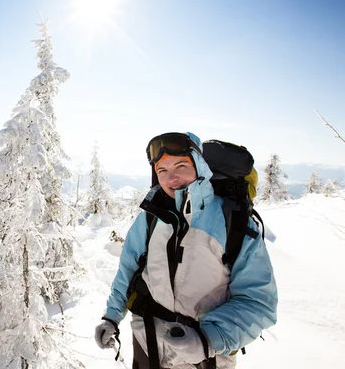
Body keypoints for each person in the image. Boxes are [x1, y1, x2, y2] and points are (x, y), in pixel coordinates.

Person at [94, 132, 278, 369]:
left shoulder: (233, 224)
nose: (172, 178)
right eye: (162, 170)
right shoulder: (150, 219)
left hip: (205, 357)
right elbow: (128, 271)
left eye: (181, 165)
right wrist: (111, 317)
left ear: (200, 165)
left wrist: (207, 340)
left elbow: (259, 302)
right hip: (147, 345)